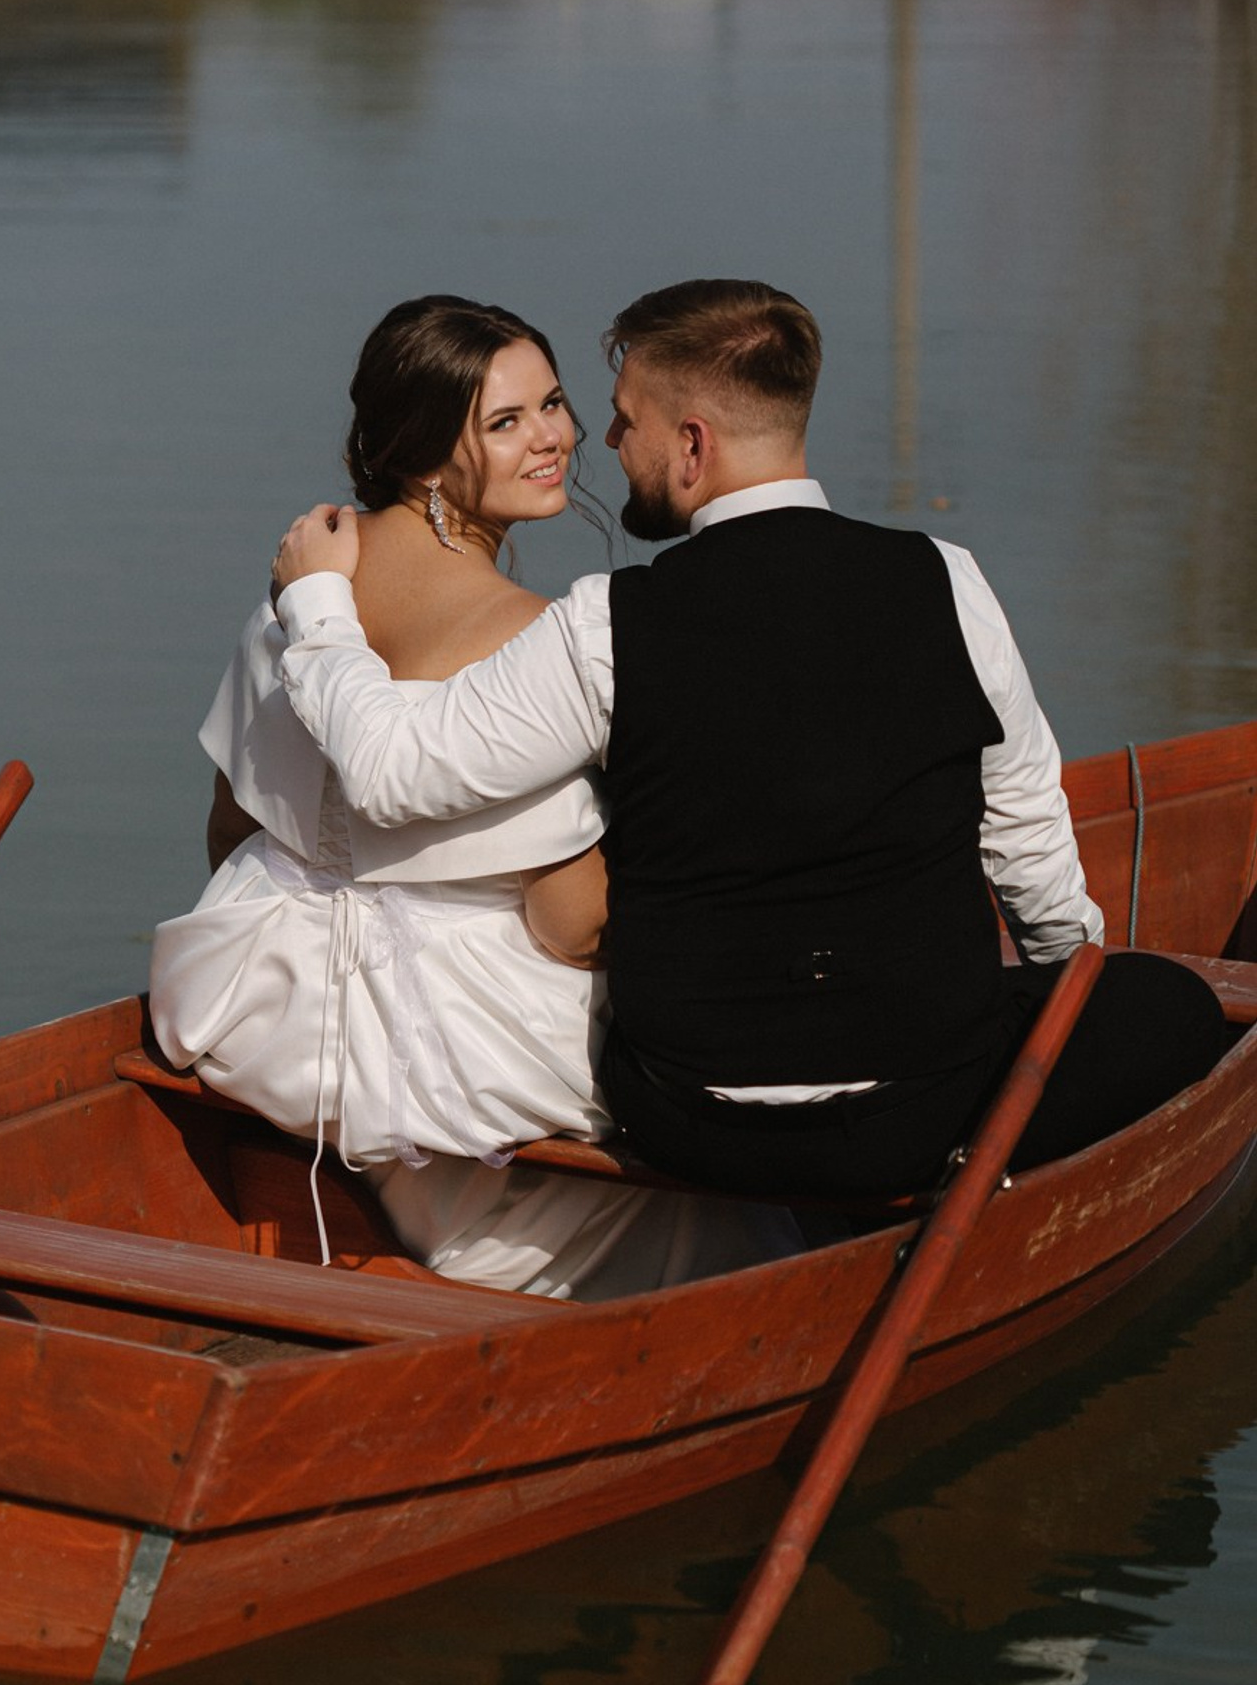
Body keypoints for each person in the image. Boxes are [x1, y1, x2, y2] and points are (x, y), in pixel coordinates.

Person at [270, 279, 1229, 1206]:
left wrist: (319, 603)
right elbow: (1024, 835)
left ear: (692, 445)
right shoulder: (949, 582)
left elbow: (393, 771)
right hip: (921, 1111)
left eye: (622, 418)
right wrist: (1070, 996)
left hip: (688, 1116)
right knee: (1170, 1004)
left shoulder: (602, 625)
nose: (605, 441)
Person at [148, 295, 800, 1296]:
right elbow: (569, 920)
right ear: (417, 457)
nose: (555, 440)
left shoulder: (292, 591)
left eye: (554, 404)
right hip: (461, 1034)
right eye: (506, 423)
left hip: (256, 999)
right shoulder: (536, 638)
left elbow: (229, 823)